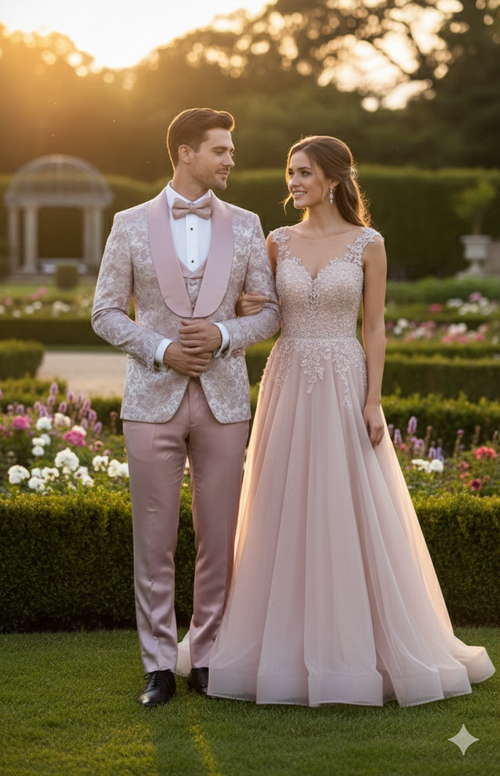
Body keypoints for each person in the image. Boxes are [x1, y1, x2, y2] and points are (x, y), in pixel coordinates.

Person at [207, 135, 495, 707]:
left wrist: (373, 400)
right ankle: (274, 641)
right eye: (290, 172)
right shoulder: (275, 243)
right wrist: (247, 309)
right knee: (281, 505)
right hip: (287, 380)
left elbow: (376, 329)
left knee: (348, 502)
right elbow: (261, 310)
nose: (293, 181)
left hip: (344, 379)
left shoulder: (369, 243)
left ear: (333, 179)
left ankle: (358, 645)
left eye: (304, 172)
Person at [92, 108, 280, 707]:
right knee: (153, 539)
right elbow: (105, 312)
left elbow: (271, 312)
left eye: (230, 150)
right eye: (220, 150)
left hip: (225, 403)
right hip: (151, 401)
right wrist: (162, 348)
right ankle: (156, 666)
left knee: (218, 538)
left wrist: (225, 336)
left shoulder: (249, 225)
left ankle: (208, 657)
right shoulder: (127, 224)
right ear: (185, 153)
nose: (231, 159)